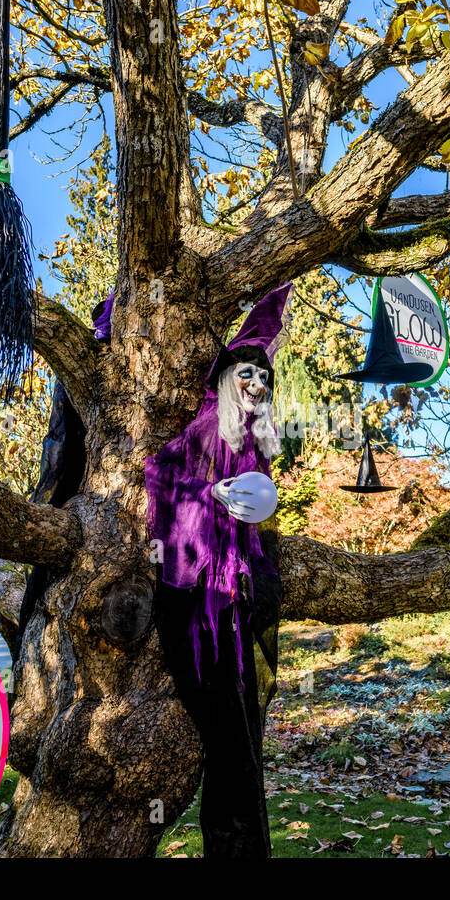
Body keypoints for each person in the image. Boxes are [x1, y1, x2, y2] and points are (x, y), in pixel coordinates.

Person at [145, 282, 291, 858]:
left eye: (264, 378)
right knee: (232, 742)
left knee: (240, 743)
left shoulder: (249, 442)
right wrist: (211, 494)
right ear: (227, 379)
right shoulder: (209, 425)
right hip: (197, 607)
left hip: (228, 604)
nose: (256, 385)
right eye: (246, 375)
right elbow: (160, 474)